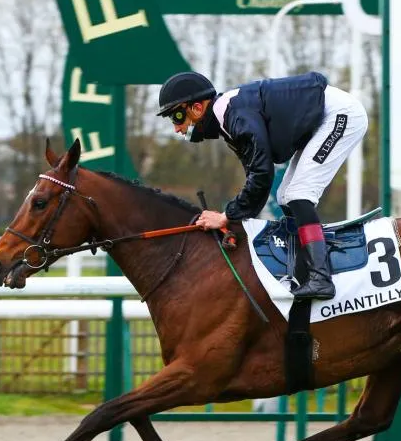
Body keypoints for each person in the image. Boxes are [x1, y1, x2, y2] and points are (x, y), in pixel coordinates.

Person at [157, 70, 368, 301]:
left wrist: (227, 216)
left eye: (177, 117)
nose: (177, 128)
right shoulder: (228, 119)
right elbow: (256, 178)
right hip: (323, 116)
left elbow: (261, 175)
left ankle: (321, 276)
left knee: (298, 193)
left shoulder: (234, 117)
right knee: (285, 195)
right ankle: (305, 265)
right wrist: (235, 220)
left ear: (197, 108)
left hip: (339, 115)